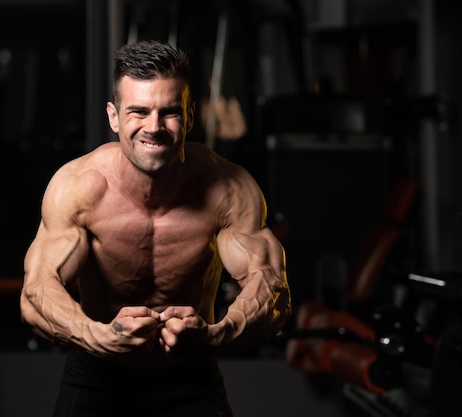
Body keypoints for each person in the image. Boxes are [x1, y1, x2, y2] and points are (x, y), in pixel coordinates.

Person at [20, 39, 291, 417]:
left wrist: (215, 335)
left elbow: (273, 289)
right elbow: (35, 294)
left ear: (190, 116)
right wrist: (98, 337)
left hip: (189, 376)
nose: (154, 127)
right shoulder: (77, 188)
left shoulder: (228, 188)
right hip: (98, 375)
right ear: (113, 117)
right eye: (138, 112)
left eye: (169, 112)